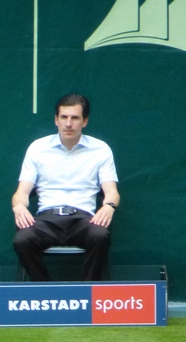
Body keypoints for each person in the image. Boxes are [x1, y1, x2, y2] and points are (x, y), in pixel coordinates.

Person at [12, 93, 120, 281]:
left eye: (75, 118)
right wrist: (19, 206)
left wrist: (109, 207)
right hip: (47, 220)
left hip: (83, 219)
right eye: (64, 117)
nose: (68, 124)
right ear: (56, 120)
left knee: (100, 236)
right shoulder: (37, 148)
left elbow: (112, 192)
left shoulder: (101, 149)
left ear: (84, 121)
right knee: (22, 240)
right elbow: (21, 192)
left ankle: (87, 294)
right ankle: (47, 292)